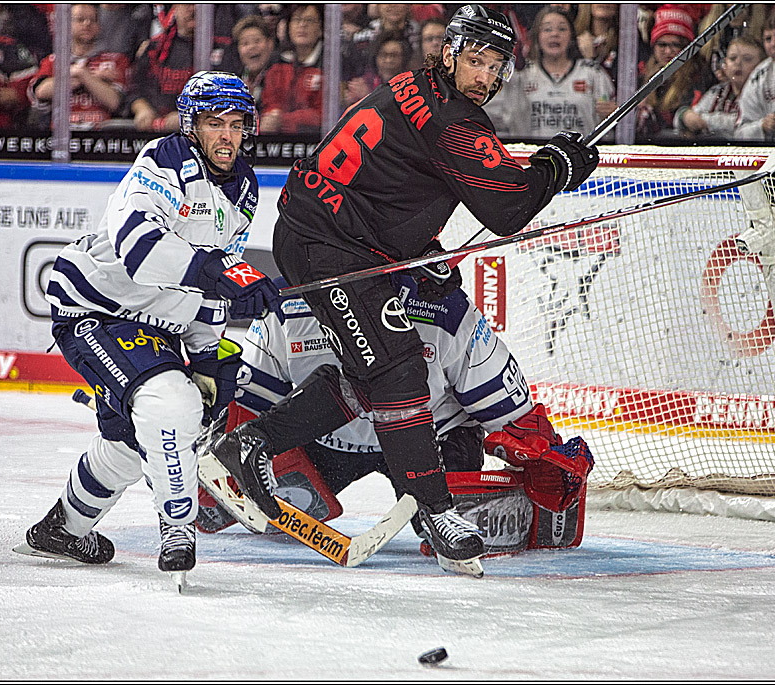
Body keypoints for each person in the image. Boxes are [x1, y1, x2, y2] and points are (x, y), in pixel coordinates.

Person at [199, 4, 598, 576]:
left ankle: (251, 445)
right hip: (329, 244)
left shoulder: (416, 87)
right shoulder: (453, 121)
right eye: (476, 60)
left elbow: (395, 182)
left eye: (496, 66)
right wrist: (557, 168)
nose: (484, 77)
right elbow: (507, 208)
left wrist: (420, 249)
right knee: (398, 367)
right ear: (450, 52)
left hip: (332, 233)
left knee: (373, 369)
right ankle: (436, 510)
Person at [16, 73, 280, 584]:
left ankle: (62, 529)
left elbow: (214, 279)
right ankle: (178, 528)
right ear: (191, 125)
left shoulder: (244, 187)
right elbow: (139, 245)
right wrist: (216, 270)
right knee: (169, 404)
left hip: (159, 321)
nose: (226, 135)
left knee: (135, 441)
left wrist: (208, 350)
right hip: (95, 307)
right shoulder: (165, 160)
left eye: (236, 124)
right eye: (213, 123)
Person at [197, 275, 594, 560]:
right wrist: (206, 462)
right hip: (325, 442)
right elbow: (250, 407)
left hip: (432, 436)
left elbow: (512, 415)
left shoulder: (445, 312)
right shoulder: (287, 307)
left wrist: (543, 455)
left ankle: (437, 508)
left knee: (442, 529)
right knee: (214, 511)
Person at [498, 5, 616, 139]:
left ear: (571, 35)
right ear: (537, 35)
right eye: (547, 29)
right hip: (532, 155)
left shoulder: (594, 74)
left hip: (579, 156)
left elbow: (609, 127)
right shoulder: (521, 76)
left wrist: (612, 113)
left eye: (562, 29)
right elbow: (503, 119)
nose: (555, 34)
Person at [128, 4, 228, 133]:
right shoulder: (155, 47)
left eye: (199, 6)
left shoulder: (224, 47)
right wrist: (141, 109)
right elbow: (133, 88)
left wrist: (188, 116)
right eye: (187, 4)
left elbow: (230, 95)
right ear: (175, 9)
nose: (192, 9)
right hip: (158, 132)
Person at [28, 4, 128, 130]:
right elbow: (41, 91)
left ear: (99, 26)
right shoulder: (54, 60)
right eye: (80, 19)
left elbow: (114, 102)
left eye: (93, 20)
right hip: (61, 135)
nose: (87, 24)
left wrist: (82, 74)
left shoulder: (116, 60)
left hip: (101, 137)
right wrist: (88, 76)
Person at [635, 4, 712, 141]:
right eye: (662, 45)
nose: (668, 52)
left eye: (675, 45)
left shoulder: (699, 76)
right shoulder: (643, 74)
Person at [676, 34, 764, 139]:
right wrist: (685, 115)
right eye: (733, 58)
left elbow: (738, 125)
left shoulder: (763, 94)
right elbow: (684, 117)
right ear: (725, 65)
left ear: (761, 65)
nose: (738, 63)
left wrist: (704, 120)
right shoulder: (717, 92)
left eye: (747, 59)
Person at [733, 10, 775, 141]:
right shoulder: (759, 77)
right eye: (768, 39)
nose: (773, 44)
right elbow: (740, 131)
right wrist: (762, 126)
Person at [258, 4, 324, 136]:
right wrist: (273, 116)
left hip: (315, 141)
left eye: (309, 20)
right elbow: (269, 104)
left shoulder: (330, 64)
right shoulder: (277, 63)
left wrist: (283, 120)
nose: (302, 25)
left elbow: (324, 114)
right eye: (297, 20)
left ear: (321, 28)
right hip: (277, 142)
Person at [232, 15, 276, 106]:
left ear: (270, 44)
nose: (251, 47)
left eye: (257, 41)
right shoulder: (234, 80)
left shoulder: (281, 75)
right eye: (245, 43)